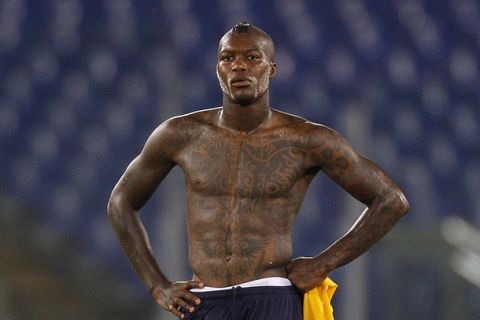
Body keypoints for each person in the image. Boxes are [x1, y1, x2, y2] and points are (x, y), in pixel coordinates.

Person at [107, 22, 409, 320]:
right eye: (228, 58)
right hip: (205, 299)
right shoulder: (181, 134)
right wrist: (157, 286)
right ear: (218, 70)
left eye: (252, 57)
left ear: (271, 69)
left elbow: (391, 200)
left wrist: (323, 264)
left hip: (272, 294)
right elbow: (121, 202)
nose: (239, 66)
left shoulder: (306, 139)